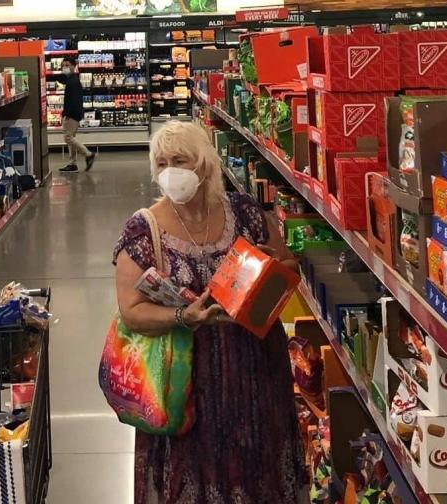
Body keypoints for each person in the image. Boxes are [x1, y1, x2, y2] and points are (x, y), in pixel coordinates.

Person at [113, 121, 305, 503]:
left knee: (258, 474)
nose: (171, 171)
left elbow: (291, 269)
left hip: (254, 374)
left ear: (203, 164)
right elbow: (131, 312)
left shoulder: (245, 213)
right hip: (184, 383)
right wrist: (185, 317)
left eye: (180, 160)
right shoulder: (142, 230)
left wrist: (269, 270)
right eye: (162, 163)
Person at [51, 57, 95, 172]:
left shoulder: (74, 81)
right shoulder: (71, 79)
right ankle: (72, 163)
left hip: (72, 115)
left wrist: (67, 114)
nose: (65, 67)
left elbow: (75, 100)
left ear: (73, 66)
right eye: (63, 65)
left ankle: (88, 154)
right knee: (71, 138)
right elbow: (61, 79)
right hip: (74, 114)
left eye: (67, 65)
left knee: (68, 138)